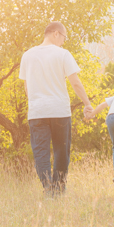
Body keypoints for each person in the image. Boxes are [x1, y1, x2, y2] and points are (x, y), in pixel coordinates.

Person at [19, 21, 93, 196]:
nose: (63, 42)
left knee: (40, 151)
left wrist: (38, 103)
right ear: (56, 34)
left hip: (37, 112)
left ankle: (47, 187)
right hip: (59, 110)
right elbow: (75, 82)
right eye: (64, 37)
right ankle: (58, 189)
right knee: (61, 150)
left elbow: (27, 88)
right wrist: (87, 104)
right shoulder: (63, 54)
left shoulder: (27, 55)